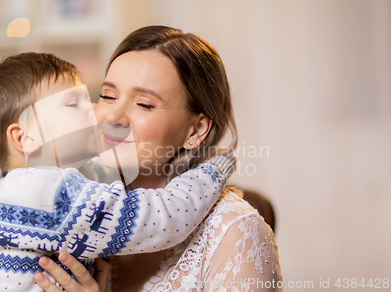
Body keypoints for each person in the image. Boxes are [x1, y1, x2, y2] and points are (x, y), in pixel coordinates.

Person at [0, 52, 237, 292]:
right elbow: (169, 215)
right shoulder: (58, 198)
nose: (97, 111)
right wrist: (213, 168)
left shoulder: (2, 199)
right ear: (26, 138)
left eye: (94, 97)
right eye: (73, 103)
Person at [35, 26, 282, 292]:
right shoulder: (72, 207)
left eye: (144, 104)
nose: (112, 117)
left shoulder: (236, 232)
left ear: (196, 130)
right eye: (108, 96)